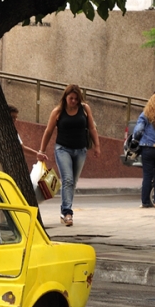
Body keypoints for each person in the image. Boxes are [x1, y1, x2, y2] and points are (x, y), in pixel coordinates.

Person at [37, 84, 101, 226]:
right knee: (67, 180)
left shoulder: (84, 109)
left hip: (81, 149)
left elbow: (91, 127)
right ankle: (67, 213)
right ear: (65, 97)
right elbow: (48, 131)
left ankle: (63, 211)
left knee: (73, 182)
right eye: (71, 98)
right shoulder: (58, 111)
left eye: (76, 99)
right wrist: (41, 150)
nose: (73, 101)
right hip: (63, 149)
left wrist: (97, 146)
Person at [0, 105, 40, 170]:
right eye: (12, 117)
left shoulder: (14, 133)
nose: (14, 120)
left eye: (16, 118)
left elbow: (22, 148)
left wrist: (37, 154)